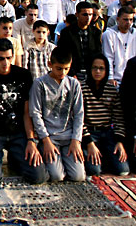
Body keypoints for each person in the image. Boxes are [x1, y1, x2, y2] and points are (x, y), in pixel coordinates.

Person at [0, 38, 46, 184]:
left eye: (8, 58)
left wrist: (31, 140)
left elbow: (27, 112)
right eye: (1, 59)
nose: (5, 63)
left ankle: (16, 159)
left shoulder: (23, 75)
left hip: (18, 132)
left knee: (38, 176)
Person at [29, 47, 85, 182]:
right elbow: (35, 113)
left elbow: (79, 113)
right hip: (49, 136)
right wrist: (45, 140)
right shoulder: (40, 84)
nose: (62, 72)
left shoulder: (74, 84)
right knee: (57, 176)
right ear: (50, 64)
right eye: (59, 69)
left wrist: (76, 140)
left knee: (78, 176)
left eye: (66, 69)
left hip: (69, 136)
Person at [81, 54, 129, 176]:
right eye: (94, 68)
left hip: (108, 133)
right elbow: (79, 119)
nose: (98, 71)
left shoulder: (111, 90)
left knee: (123, 170)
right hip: (90, 133)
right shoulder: (82, 88)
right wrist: (89, 142)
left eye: (101, 68)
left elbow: (118, 118)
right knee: (94, 171)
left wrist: (119, 141)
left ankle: (107, 158)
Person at [57, 1, 102, 82]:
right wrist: (71, 73)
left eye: (90, 14)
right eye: (85, 14)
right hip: (73, 73)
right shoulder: (67, 32)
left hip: (91, 73)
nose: (88, 17)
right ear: (77, 14)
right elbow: (63, 54)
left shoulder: (96, 32)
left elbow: (98, 53)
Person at [102, 6, 136, 88]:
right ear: (118, 19)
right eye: (125, 19)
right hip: (115, 79)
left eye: (131, 20)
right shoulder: (108, 34)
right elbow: (108, 57)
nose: (128, 22)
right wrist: (110, 77)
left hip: (132, 78)